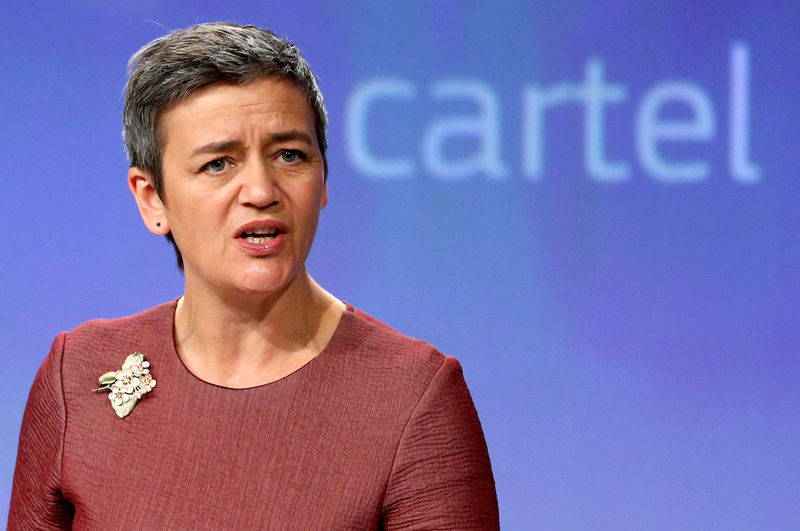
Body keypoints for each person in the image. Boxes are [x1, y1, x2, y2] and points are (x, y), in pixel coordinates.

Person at [9, 22, 498, 529]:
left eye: (291, 155)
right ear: (152, 198)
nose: (261, 190)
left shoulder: (411, 396)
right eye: (219, 164)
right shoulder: (76, 374)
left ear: (324, 179)